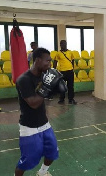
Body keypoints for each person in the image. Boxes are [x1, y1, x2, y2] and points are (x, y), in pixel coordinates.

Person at [15, 48, 67, 176]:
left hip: (44, 124)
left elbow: (48, 94)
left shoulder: (44, 75)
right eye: (47, 61)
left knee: (52, 152)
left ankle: (42, 172)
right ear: (37, 60)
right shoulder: (24, 80)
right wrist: (47, 87)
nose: (49, 64)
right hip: (29, 128)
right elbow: (33, 103)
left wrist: (56, 87)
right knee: (27, 161)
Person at [53, 40, 77, 104]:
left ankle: (71, 99)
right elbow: (55, 61)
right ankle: (61, 99)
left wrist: (72, 68)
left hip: (70, 72)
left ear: (66, 44)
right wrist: (54, 70)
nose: (62, 45)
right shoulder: (58, 53)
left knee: (70, 86)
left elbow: (72, 60)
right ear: (60, 45)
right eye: (61, 44)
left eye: (64, 44)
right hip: (62, 72)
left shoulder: (70, 52)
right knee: (62, 86)